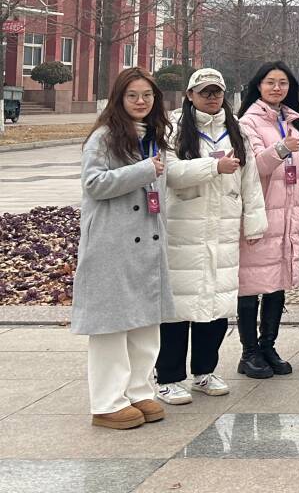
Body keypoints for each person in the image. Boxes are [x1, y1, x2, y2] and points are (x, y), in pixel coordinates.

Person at [155, 68, 268, 405]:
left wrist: (255, 223)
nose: (211, 97)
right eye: (204, 91)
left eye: (216, 91)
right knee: (178, 309)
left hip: (223, 229)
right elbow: (171, 173)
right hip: (183, 230)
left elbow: (250, 181)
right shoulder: (174, 129)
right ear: (190, 95)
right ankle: (168, 377)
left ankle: (205, 371)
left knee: (217, 305)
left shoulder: (236, 131)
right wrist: (212, 168)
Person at [71, 68, 173, 429]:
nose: (141, 101)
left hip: (147, 240)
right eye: (133, 95)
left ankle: (140, 390)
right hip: (113, 244)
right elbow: (94, 184)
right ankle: (107, 401)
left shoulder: (154, 136)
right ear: (119, 98)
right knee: (112, 326)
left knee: (146, 323)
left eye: (147, 95)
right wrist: (144, 170)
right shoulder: (103, 137)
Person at [235, 61, 299, 378]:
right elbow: (253, 167)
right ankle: (249, 352)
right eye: (270, 82)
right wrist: (280, 148)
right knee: (251, 284)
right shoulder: (246, 123)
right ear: (258, 86)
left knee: (278, 283)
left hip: (288, 215)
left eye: (283, 83)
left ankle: (269, 346)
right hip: (261, 215)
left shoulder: (292, 123)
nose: (277, 88)